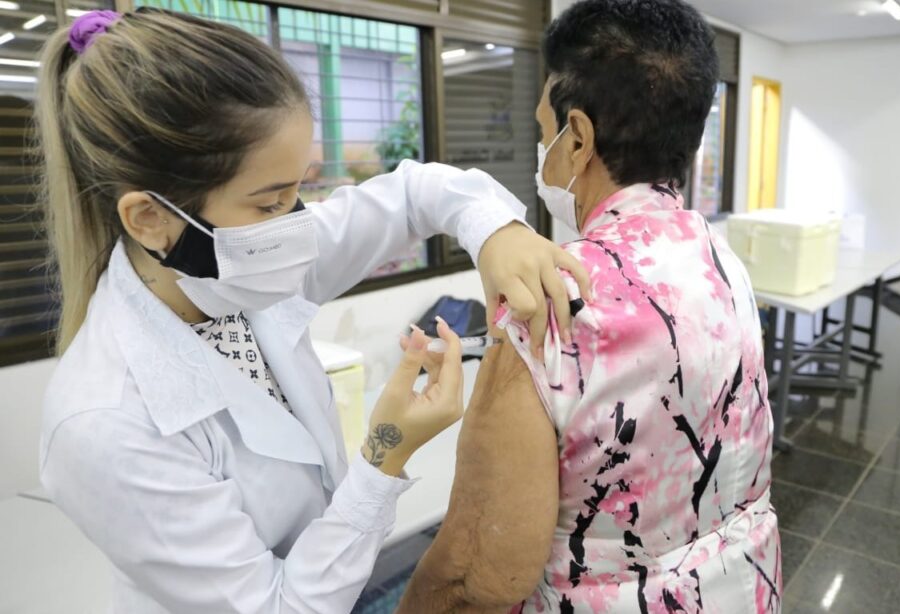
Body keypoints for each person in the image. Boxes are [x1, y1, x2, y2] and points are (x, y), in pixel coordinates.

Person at [35, 8, 591, 613]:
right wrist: (384, 454)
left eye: (299, 188)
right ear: (151, 219)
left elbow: (415, 194)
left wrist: (495, 231)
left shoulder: (241, 264)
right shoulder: (102, 424)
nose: (298, 224)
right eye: (270, 203)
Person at [397, 1, 780, 612]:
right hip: (742, 588)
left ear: (578, 139)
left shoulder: (553, 303)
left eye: (545, 131)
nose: (542, 147)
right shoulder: (721, 260)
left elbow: (478, 577)